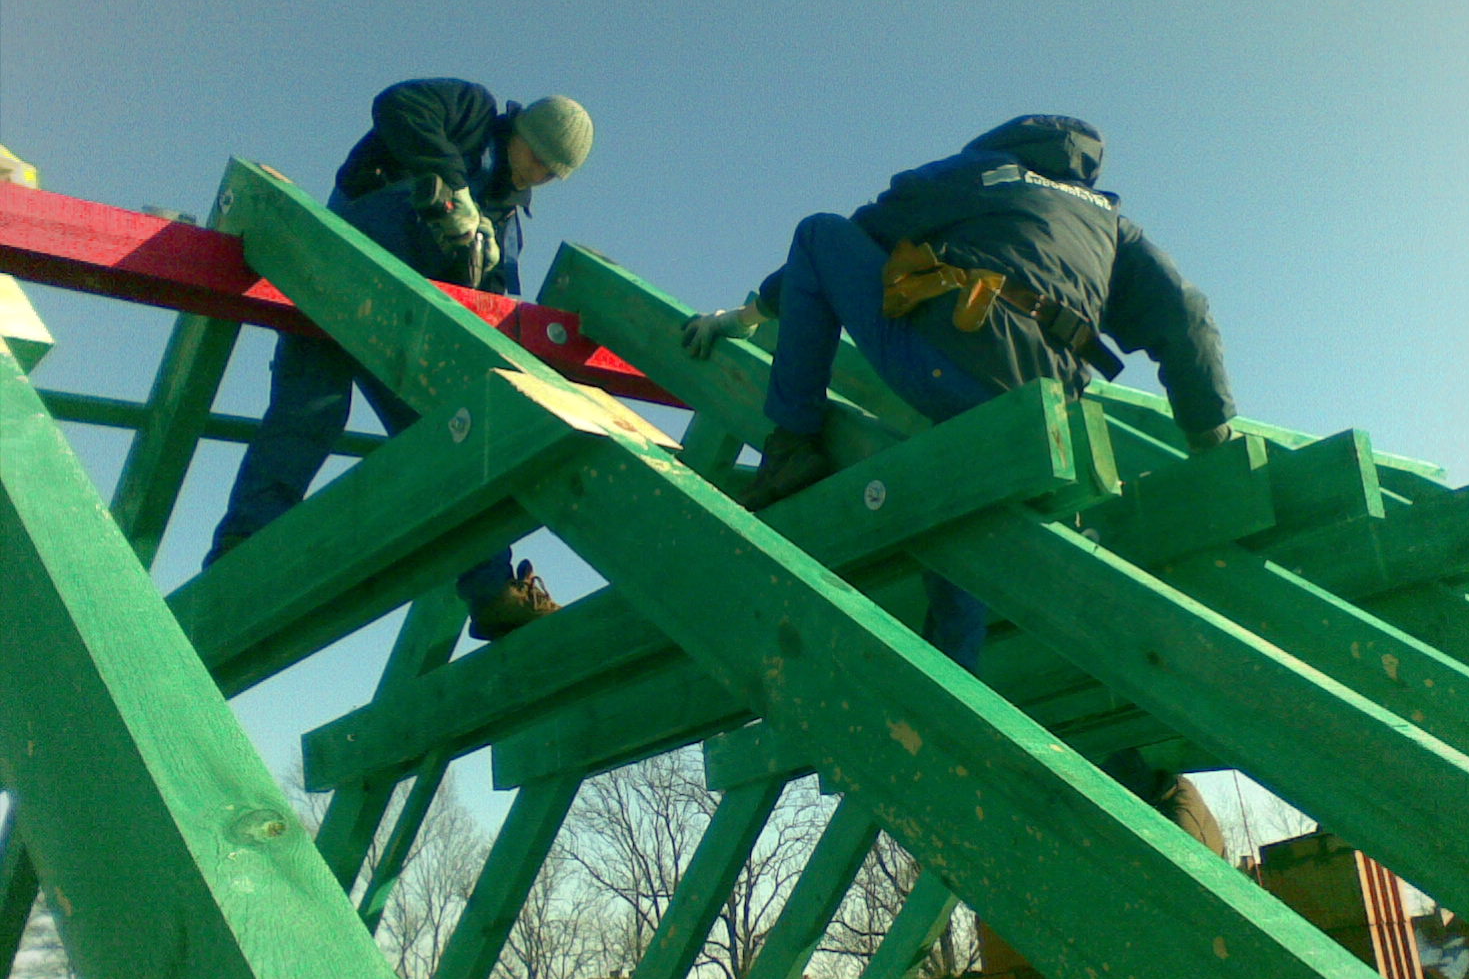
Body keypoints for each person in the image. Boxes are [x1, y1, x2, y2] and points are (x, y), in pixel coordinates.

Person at [683, 114, 1235, 670]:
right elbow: (1186, 314)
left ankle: (791, 446)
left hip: (957, 367)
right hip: (1042, 415)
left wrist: (747, 315)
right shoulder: (1111, 225)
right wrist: (1210, 439)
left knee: (818, 233)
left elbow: (866, 231)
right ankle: (953, 678)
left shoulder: (983, 172)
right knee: (969, 499)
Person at [207, 78, 594, 640]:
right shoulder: (470, 115)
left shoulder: (508, 225)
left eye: (550, 173)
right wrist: (455, 190)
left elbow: (494, 308)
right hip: (337, 277)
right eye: (536, 156)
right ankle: (241, 558)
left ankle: (492, 591)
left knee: (456, 448)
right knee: (306, 416)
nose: (537, 174)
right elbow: (397, 105)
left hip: (408, 333)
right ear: (519, 131)